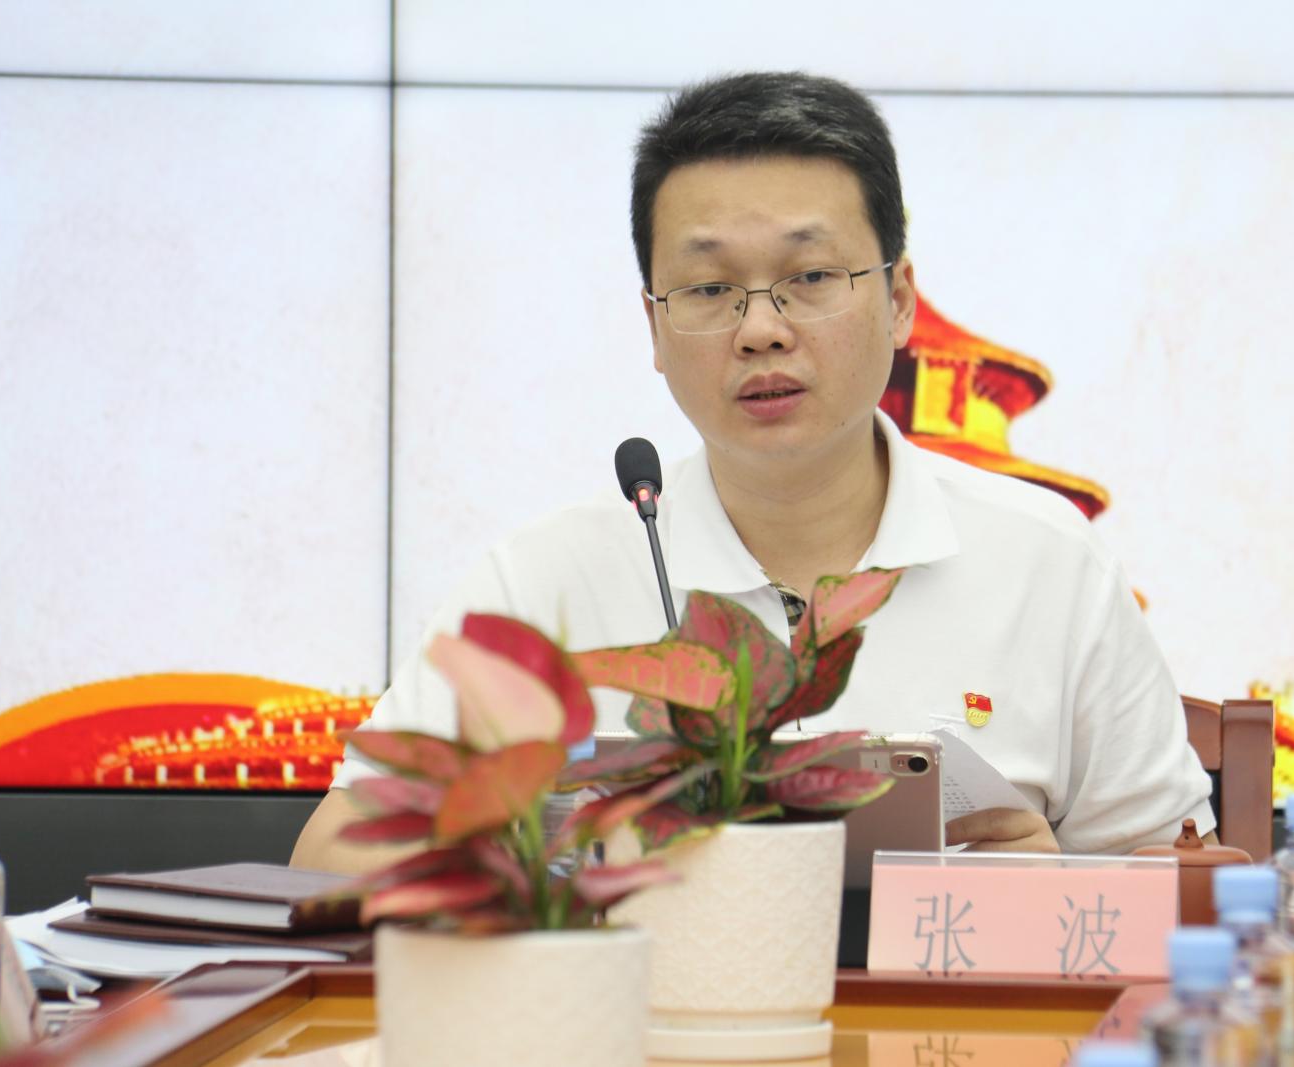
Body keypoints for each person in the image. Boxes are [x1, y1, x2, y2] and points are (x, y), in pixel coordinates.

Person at [292, 71, 1214, 876]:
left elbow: (1182, 884)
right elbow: (334, 851)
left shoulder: (1047, 561)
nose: (761, 329)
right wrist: (568, 868)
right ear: (655, 327)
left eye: (810, 277)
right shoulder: (545, 582)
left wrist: (1041, 896)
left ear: (898, 300)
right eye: (708, 289)